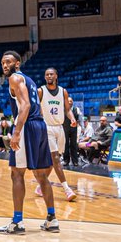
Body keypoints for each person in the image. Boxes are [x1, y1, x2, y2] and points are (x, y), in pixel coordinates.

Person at [0, 52, 56, 233]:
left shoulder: (15, 78)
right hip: (40, 126)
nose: (5, 65)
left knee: (17, 174)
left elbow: (26, 106)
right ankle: (52, 219)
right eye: (2, 62)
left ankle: (17, 222)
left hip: (28, 126)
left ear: (17, 64)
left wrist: (16, 131)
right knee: (41, 175)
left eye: (8, 62)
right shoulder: (30, 80)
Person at [37, 68, 77, 201]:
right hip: (46, 128)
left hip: (59, 128)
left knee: (52, 163)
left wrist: (72, 118)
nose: (49, 76)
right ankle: (67, 189)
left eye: (51, 74)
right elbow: (34, 108)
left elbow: (67, 109)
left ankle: (40, 186)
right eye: (47, 74)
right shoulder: (40, 91)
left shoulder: (63, 91)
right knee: (56, 159)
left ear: (56, 76)